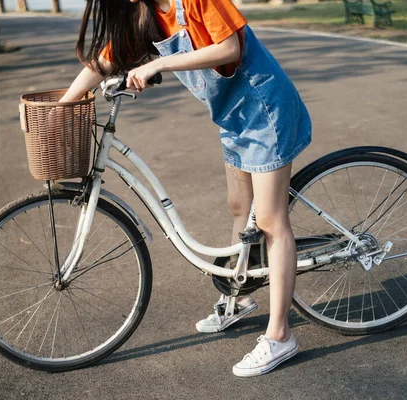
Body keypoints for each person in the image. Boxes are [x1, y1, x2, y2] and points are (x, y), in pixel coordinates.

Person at [60, 0, 312, 377]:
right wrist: (61, 107)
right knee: (240, 209)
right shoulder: (149, 16)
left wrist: (159, 63)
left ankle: (280, 335)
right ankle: (238, 297)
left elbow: (230, 48)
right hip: (235, 118)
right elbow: (104, 62)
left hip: (265, 109)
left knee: (272, 220)